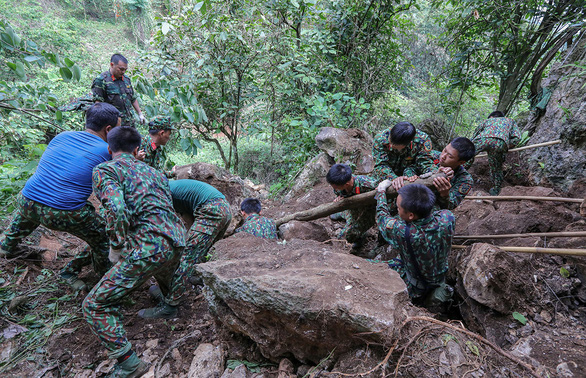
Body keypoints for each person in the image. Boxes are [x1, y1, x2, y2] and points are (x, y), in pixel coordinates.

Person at [82, 126, 185, 377]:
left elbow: (116, 209)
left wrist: (116, 246)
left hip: (151, 246)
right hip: (178, 239)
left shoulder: (105, 169)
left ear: (109, 149)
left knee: (94, 305)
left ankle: (129, 364)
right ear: (137, 149)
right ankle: (170, 303)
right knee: (161, 266)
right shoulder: (156, 173)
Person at [0, 103, 120, 290]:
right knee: (104, 238)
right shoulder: (107, 151)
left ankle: (7, 244)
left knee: (34, 204)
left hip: (26, 200)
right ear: (109, 129)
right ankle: (105, 280)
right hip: (62, 213)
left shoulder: (61, 136)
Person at [138, 179, 232, 319]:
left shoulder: (162, 192)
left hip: (212, 210)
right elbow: (187, 219)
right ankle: (195, 278)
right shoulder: (171, 188)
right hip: (222, 208)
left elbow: (165, 225)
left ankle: (170, 306)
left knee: (186, 257)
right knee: (199, 250)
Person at [375, 182, 455, 306]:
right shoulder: (447, 217)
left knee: (372, 267)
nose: (397, 210)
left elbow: (381, 218)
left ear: (411, 215)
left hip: (416, 286)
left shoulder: (404, 232)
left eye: (398, 208)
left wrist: (381, 191)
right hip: (439, 275)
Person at [326, 164, 378, 250]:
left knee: (348, 234)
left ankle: (360, 236)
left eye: (336, 187)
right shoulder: (340, 182)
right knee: (345, 233)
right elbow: (338, 192)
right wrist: (340, 198)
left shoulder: (368, 184)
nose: (334, 189)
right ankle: (344, 213)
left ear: (346, 184)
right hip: (352, 206)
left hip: (368, 208)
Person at [372, 122, 435, 191]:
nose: (390, 146)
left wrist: (434, 173)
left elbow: (425, 163)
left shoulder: (422, 140)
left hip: (411, 174)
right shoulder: (380, 138)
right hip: (389, 174)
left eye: (394, 145)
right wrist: (394, 179)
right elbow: (380, 165)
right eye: (390, 141)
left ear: (408, 144)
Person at [470, 111, 521, 195]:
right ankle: (496, 190)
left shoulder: (487, 121)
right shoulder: (510, 120)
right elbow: (517, 138)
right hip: (500, 142)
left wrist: (472, 145)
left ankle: (454, 175)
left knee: (466, 157)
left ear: (492, 117)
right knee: (496, 168)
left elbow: (474, 136)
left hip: (482, 139)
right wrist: (506, 145)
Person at [92, 54, 145, 128]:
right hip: (114, 124)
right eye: (121, 69)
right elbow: (98, 104)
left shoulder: (126, 80)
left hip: (129, 123)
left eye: (125, 70)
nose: (123, 72)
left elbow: (133, 98)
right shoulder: (101, 80)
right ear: (112, 65)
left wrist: (140, 113)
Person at [431, 137, 475, 210]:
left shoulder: (465, 180)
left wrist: (444, 194)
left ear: (461, 162)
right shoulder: (432, 155)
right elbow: (411, 167)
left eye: (450, 156)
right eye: (445, 150)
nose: (443, 156)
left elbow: (451, 206)